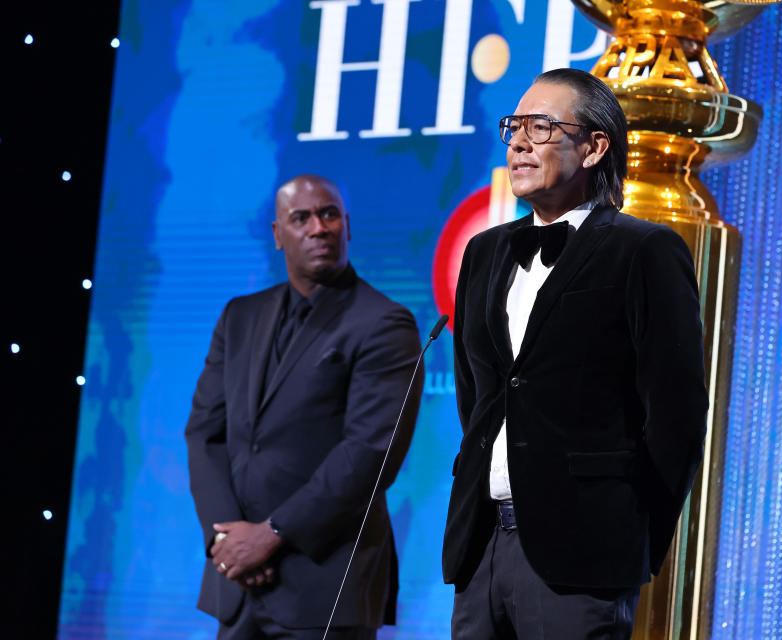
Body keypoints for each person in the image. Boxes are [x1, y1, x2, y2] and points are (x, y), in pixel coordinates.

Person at [442, 68, 709, 639]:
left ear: (593, 148)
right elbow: (479, 396)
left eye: (540, 127)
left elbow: (676, 417)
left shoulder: (645, 250)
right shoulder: (485, 252)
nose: (518, 142)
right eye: (514, 126)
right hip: (481, 548)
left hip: (582, 559)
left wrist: (626, 541)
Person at [185, 174, 423, 640]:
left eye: (329, 214)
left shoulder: (384, 323)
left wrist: (270, 535)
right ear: (278, 234)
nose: (319, 228)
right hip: (238, 582)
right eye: (302, 218)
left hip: (326, 582)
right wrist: (226, 542)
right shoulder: (240, 316)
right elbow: (205, 433)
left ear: (347, 226)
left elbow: (370, 454)